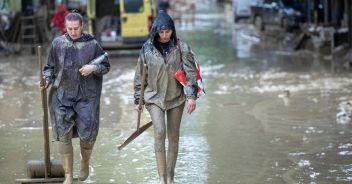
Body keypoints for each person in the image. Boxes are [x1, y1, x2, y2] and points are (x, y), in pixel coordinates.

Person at [42, 12, 110, 184]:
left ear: (82, 27)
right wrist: (46, 80)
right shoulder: (57, 44)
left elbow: (106, 65)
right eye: (70, 29)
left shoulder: (92, 44)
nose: (73, 32)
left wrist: (93, 68)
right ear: (66, 27)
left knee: (87, 135)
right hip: (62, 96)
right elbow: (49, 68)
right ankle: (68, 176)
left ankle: (85, 162)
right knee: (63, 135)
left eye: (76, 28)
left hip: (86, 97)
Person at [133, 10, 198, 184]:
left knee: (173, 136)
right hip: (153, 98)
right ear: (155, 31)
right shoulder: (147, 48)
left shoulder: (181, 46)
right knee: (160, 132)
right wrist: (137, 99)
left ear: (172, 30)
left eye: (167, 31)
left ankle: (170, 177)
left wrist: (191, 96)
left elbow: (191, 72)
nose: (164, 35)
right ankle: (161, 178)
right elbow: (140, 75)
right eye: (161, 32)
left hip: (176, 97)